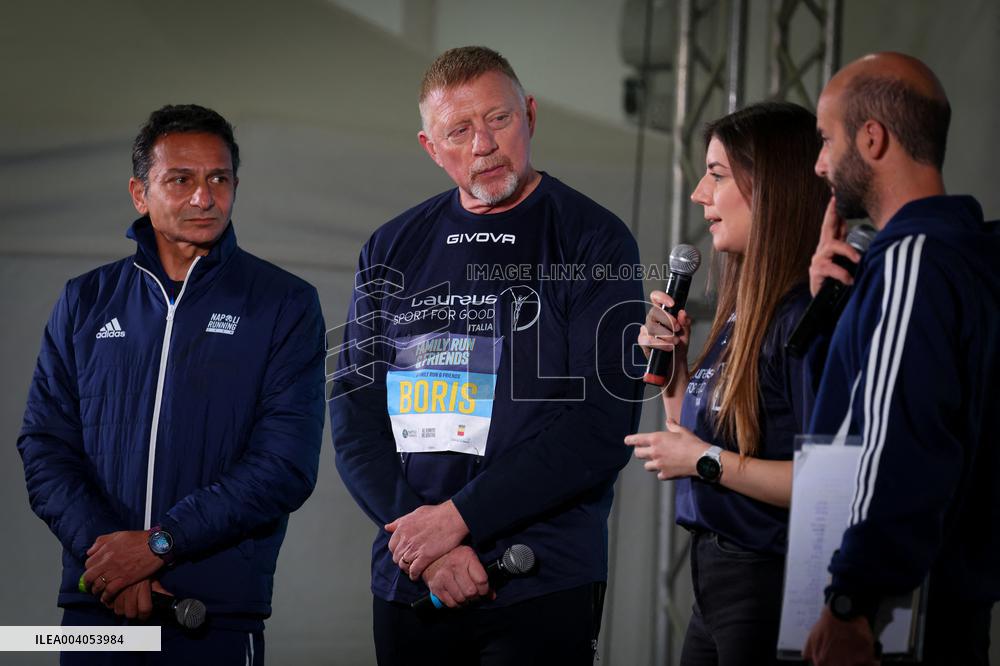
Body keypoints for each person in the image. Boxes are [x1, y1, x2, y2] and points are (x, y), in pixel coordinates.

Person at [328, 46, 644, 665]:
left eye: (498, 120)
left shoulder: (594, 238)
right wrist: (429, 540)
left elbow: (603, 426)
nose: (483, 145)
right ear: (430, 146)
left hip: (540, 577)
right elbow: (354, 414)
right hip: (413, 575)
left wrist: (460, 518)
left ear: (529, 115)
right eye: (459, 130)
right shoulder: (391, 246)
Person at [17, 104, 326, 665]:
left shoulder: (284, 303)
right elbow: (44, 447)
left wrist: (160, 545)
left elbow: (285, 466)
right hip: (98, 609)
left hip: (213, 616)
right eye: (180, 180)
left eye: (219, 179)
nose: (203, 197)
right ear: (140, 193)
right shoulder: (85, 300)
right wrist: (112, 557)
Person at [801, 52, 999, 666]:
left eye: (826, 140)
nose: (819, 164)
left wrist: (851, 600)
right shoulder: (951, 258)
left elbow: (900, 442)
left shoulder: (916, 259)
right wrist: (829, 308)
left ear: (872, 138)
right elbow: (844, 415)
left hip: (895, 615)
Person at [626, 101, 828, 666]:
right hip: (715, 577)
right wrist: (676, 366)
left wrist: (705, 461)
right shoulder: (745, 311)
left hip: (770, 577)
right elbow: (687, 435)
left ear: (773, 187)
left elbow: (827, 482)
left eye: (716, 175)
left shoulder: (804, 318)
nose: (698, 194)